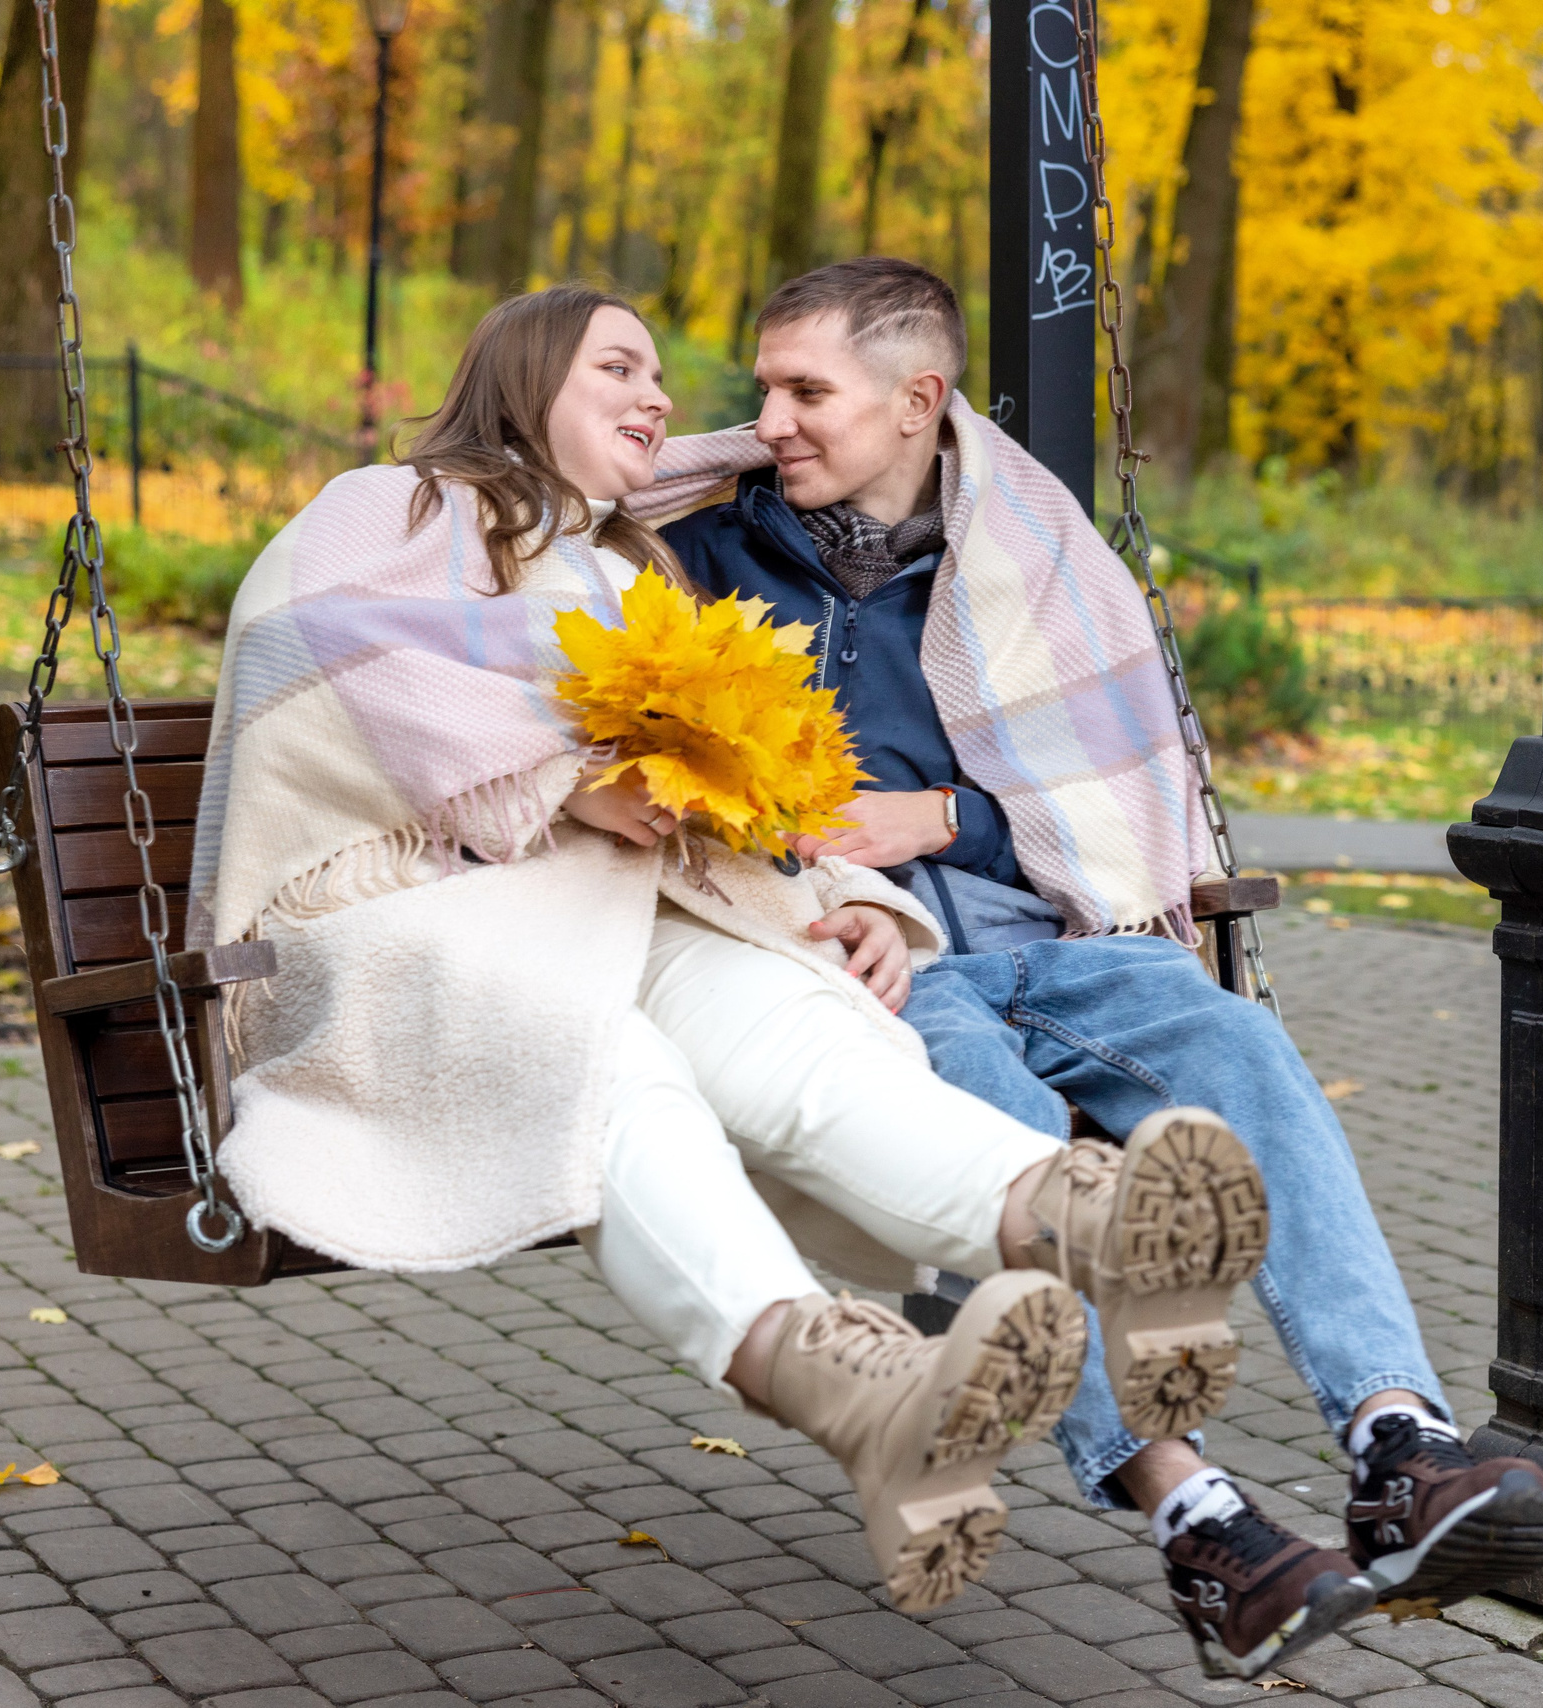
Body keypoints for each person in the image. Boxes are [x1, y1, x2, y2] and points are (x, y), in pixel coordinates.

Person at [183, 285, 1294, 1621]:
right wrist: (550, 777)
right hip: (402, 925)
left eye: (661, 375)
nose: (660, 399)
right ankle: (855, 1380)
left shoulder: (642, 567)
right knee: (607, 1058)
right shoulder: (406, 505)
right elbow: (306, 646)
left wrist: (877, 906)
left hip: (618, 908)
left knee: (808, 1032)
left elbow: (749, 775)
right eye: (619, 368)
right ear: (525, 377)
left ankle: (1102, 1228)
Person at [651, 259, 1543, 1672]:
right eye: (762, 386)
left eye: (805, 389)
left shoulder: (1028, 566)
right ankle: (1196, 1518)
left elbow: (1094, 784)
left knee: (1232, 1042)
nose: (768, 416)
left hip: (1053, 943)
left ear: (916, 402)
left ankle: (1401, 1442)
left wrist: (944, 814)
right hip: (868, 971)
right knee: (1004, 1134)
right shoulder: (702, 563)